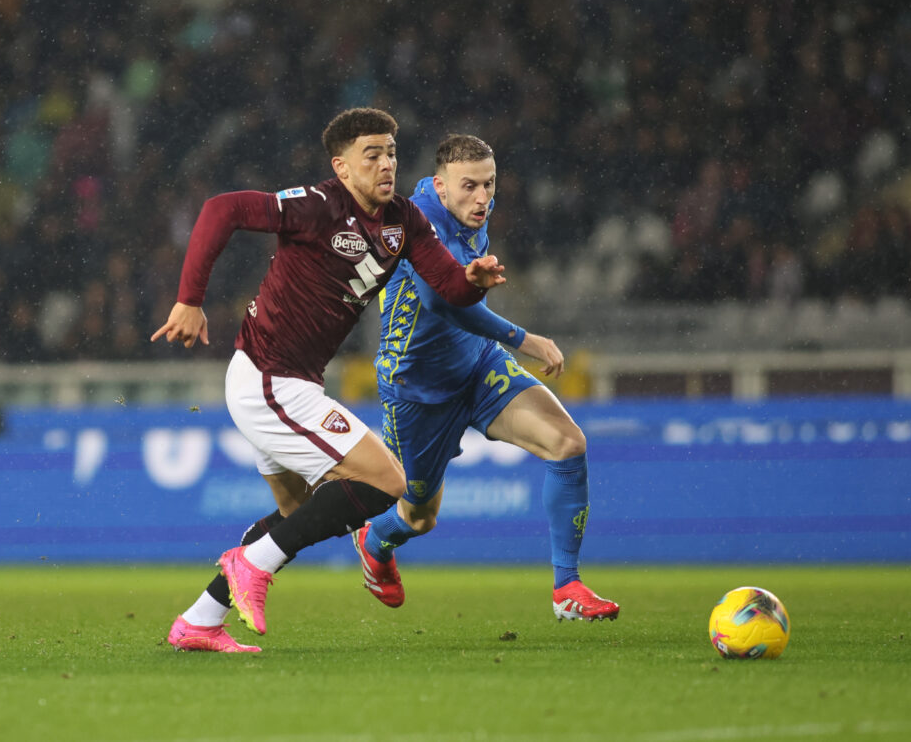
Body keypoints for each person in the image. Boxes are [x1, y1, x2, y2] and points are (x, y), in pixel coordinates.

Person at [152, 108, 505, 653]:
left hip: (289, 383)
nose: (387, 163)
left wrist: (472, 282)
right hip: (269, 381)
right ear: (341, 167)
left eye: (391, 152)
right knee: (388, 481)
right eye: (373, 154)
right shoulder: (318, 207)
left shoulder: (405, 222)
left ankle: (199, 621)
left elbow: (449, 289)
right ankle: (251, 565)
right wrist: (190, 300)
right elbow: (222, 209)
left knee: (296, 513)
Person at [352, 134, 619, 622]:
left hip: (478, 365)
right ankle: (375, 540)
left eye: (489, 185)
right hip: (418, 389)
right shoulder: (414, 220)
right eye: (470, 186)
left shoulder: (472, 209)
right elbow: (440, 301)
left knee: (568, 444)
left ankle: (567, 588)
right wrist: (524, 339)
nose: (482, 198)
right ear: (440, 185)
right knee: (419, 516)